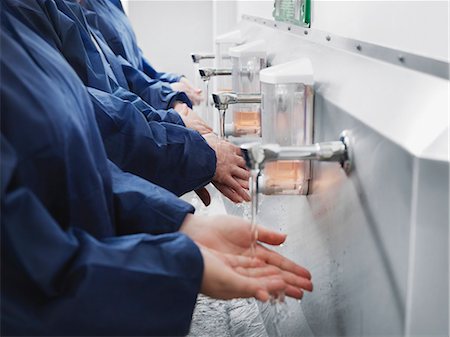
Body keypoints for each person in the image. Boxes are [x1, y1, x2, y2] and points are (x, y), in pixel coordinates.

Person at [0, 11, 313, 335]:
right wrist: (181, 264)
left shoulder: (23, 22)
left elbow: (82, 163)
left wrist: (178, 222)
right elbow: (24, 272)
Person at [5, 0, 251, 203]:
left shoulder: (66, 7)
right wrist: (190, 151)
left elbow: (119, 80)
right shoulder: (21, 12)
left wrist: (172, 112)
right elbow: (94, 117)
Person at [80, 0, 203, 106]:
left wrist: (173, 80)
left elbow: (137, 62)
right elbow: (116, 72)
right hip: (130, 106)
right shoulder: (85, 7)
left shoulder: (111, 4)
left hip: (138, 105)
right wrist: (165, 92)